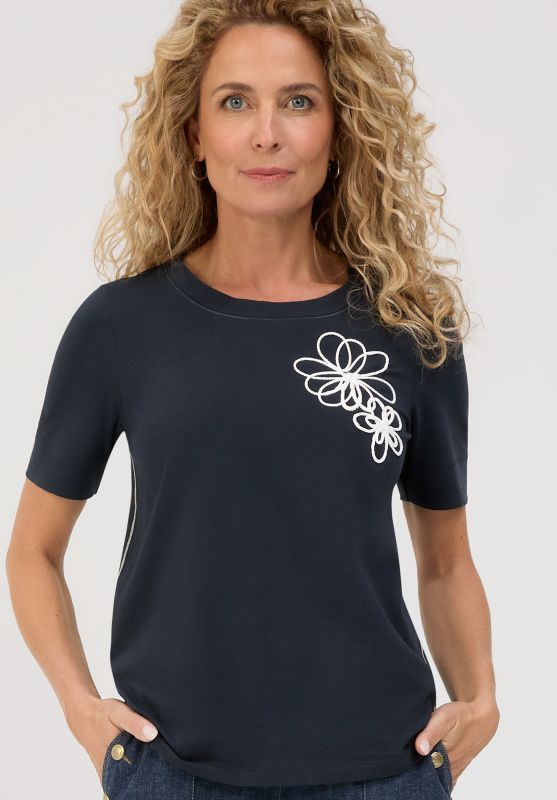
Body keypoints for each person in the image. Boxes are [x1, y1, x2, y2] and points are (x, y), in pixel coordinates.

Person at [6, 2, 500, 798]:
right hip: (174, 772)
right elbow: (33, 550)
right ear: (194, 136)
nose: (267, 134)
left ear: (339, 130)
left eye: (298, 101)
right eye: (234, 101)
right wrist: (80, 708)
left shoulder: (409, 329)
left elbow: (443, 559)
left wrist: (478, 700)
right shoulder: (121, 327)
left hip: (384, 772)